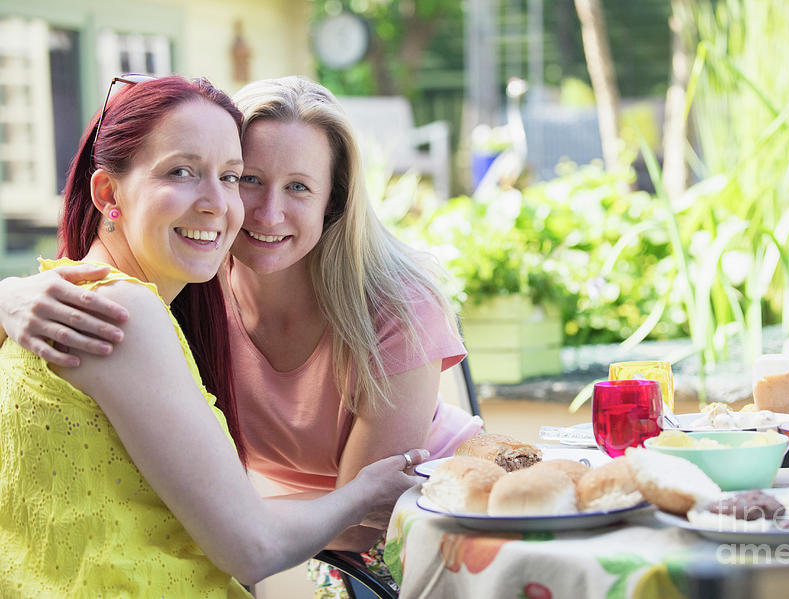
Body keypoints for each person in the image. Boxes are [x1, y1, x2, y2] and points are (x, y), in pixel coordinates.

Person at [0, 76, 481, 595]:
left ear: (332, 203)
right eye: (248, 178)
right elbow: (243, 539)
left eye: (298, 186)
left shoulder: (391, 303)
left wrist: (223, 514)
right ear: (107, 192)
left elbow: (361, 518)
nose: (261, 211)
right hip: (288, 531)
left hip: (421, 513)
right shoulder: (180, 286)